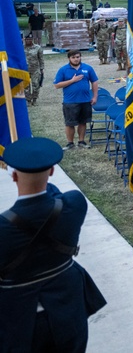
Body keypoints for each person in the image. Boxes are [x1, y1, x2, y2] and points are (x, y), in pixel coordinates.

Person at [0, 137, 106, 353]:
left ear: (13, 176)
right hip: (68, 311)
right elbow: (55, 194)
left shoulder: (3, 227)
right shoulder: (74, 204)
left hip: (19, 323)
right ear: (51, 172)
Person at [52, 50, 99, 149]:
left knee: (83, 122)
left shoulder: (87, 68)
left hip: (85, 101)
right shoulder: (63, 70)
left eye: (78, 57)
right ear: (69, 58)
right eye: (73, 57)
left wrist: (94, 96)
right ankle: (70, 143)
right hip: (70, 101)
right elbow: (57, 85)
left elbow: (94, 82)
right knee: (70, 123)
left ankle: (81, 141)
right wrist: (72, 81)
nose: (76, 59)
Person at [23, 33, 44, 106]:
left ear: (32, 40)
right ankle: (28, 100)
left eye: (30, 39)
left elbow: (41, 59)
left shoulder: (37, 48)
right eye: (27, 39)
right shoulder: (21, 48)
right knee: (26, 86)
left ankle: (34, 99)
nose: (28, 41)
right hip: (24, 70)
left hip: (35, 69)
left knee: (36, 85)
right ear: (24, 40)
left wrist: (42, 69)